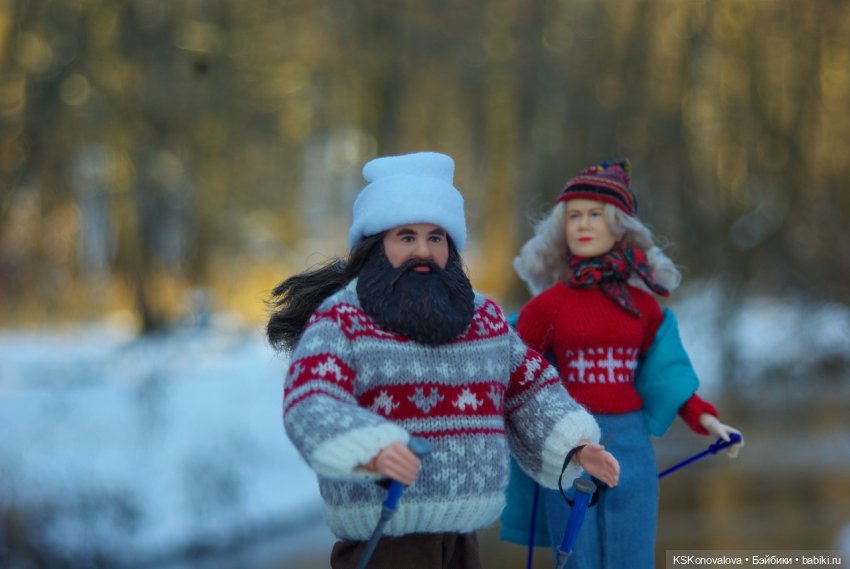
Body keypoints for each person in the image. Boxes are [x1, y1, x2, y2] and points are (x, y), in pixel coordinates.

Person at [266, 151, 620, 569]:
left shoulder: (483, 319)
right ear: (376, 245)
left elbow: (531, 391)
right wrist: (369, 450)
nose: (423, 250)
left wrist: (574, 447)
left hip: (463, 541)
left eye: (436, 237)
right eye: (406, 236)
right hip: (383, 541)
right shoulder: (343, 320)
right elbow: (311, 401)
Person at [499, 159, 744, 569]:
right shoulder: (548, 307)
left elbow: (667, 375)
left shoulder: (643, 307)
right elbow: (518, 374)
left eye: (595, 215)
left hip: (632, 444)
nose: (583, 224)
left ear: (618, 225)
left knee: (633, 554)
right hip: (571, 443)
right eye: (574, 216)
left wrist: (707, 420)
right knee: (576, 556)